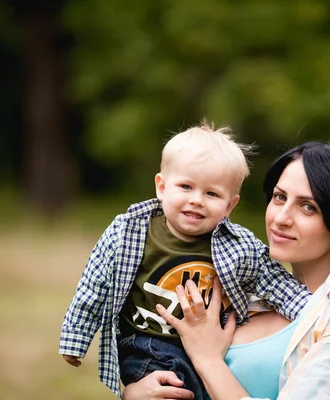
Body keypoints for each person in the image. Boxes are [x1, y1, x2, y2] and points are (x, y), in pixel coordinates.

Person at [58, 122, 311, 398]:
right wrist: (76, 339)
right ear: (162, 187)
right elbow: (94, 286)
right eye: (186, 187)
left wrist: (316, 315)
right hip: (148, 345)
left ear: (230, 205)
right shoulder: (130, 231)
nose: (197, 200)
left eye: (212, 193)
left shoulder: (240, 245)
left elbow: (273, 280)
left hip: (211, 346)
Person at [124, 141, 330, 399]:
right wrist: (135, 392)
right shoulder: (245, 283)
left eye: (308, 207)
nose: (281, 218)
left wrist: (207, 360)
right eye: (279, 197)